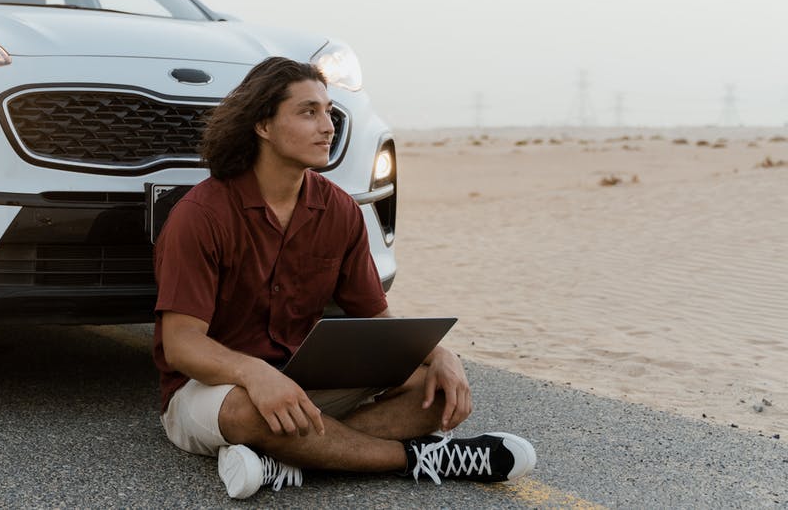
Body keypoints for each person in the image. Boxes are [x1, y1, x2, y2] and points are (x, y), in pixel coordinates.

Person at [152, 57, 536, 499]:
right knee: (252, 416)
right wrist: (254, 374)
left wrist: (441, 356)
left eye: (329, 112)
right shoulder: (201, 216)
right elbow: (181, 344)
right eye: (308, 112)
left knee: (429, 390)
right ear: (262, 125)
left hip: (301, 381)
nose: (328, 126)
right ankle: (424, 458)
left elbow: (376, 317)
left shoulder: (339, 210)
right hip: (213, 391)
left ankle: (283, 457)